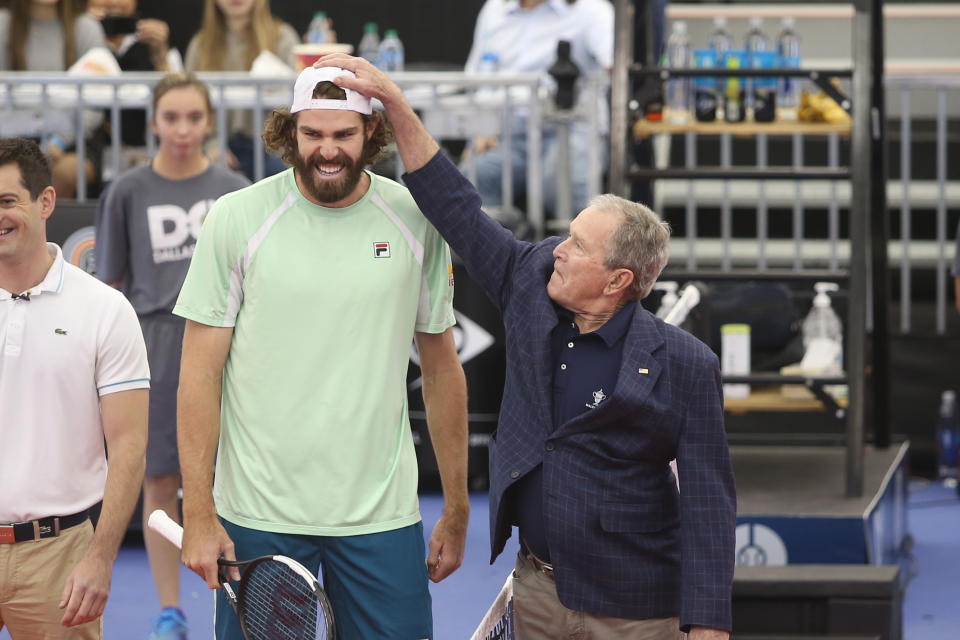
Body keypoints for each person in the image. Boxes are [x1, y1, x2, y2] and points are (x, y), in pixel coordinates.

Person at [318, 54, 737, 640]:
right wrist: (397, 105)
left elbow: (710, 509)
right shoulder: (531, 286)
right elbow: (455, 207)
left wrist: (709, 627)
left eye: (577, 245)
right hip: (537, 591)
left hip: (637, 611)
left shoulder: (687, 365)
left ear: (619, 280)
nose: (558, 249)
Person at [173, 65, 469, 640]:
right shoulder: (235, 219)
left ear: (371, 133)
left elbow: (441, 370)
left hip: (380, 518)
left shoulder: (414, 220)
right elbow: (199, 375)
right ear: (290, 133)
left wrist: (456, 509)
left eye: (344, 134)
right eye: (313, 134)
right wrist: (199, 513)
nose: (327, 150)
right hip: (259, 515)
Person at [94, 72, 249, 640]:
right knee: (159, 479)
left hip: (233, 347)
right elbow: (108, 286)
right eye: (171, 118)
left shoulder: (236, 187)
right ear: (154, 122)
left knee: (235, 477)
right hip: (154, 348)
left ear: (209, 122)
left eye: (194, 118)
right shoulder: (127, 192)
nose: (182, 130)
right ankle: (169, 611)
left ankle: (239, 600)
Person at [0, 137, 149, 638]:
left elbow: (129, 446)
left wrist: (101, 557)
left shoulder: (105, 310)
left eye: (6, 201)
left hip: (59, 553)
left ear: (45, 202)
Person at [462, 0, 614, 222]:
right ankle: (509, 250)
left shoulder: (591, 9)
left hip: (572, 131)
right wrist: (478, 129)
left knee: (559, 186)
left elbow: (617, 66)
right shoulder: (494, 9)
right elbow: (474, 80)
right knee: (471, 178)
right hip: (507, 136)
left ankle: (580, 252)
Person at [0, 0, 107, 198]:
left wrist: (58, 141)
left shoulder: (86, 27)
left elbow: (95, 101)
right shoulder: (3, 25)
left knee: (64, 173)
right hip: (11, 138)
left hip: (74, 139)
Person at [184, 0, 300, 181]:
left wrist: (279, 146)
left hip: (272, 148)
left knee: (288, 181)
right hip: (217, 147)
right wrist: (211, 145)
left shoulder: (283, 37)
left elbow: (296, 103)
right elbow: (189, 104)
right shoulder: (200, 45)